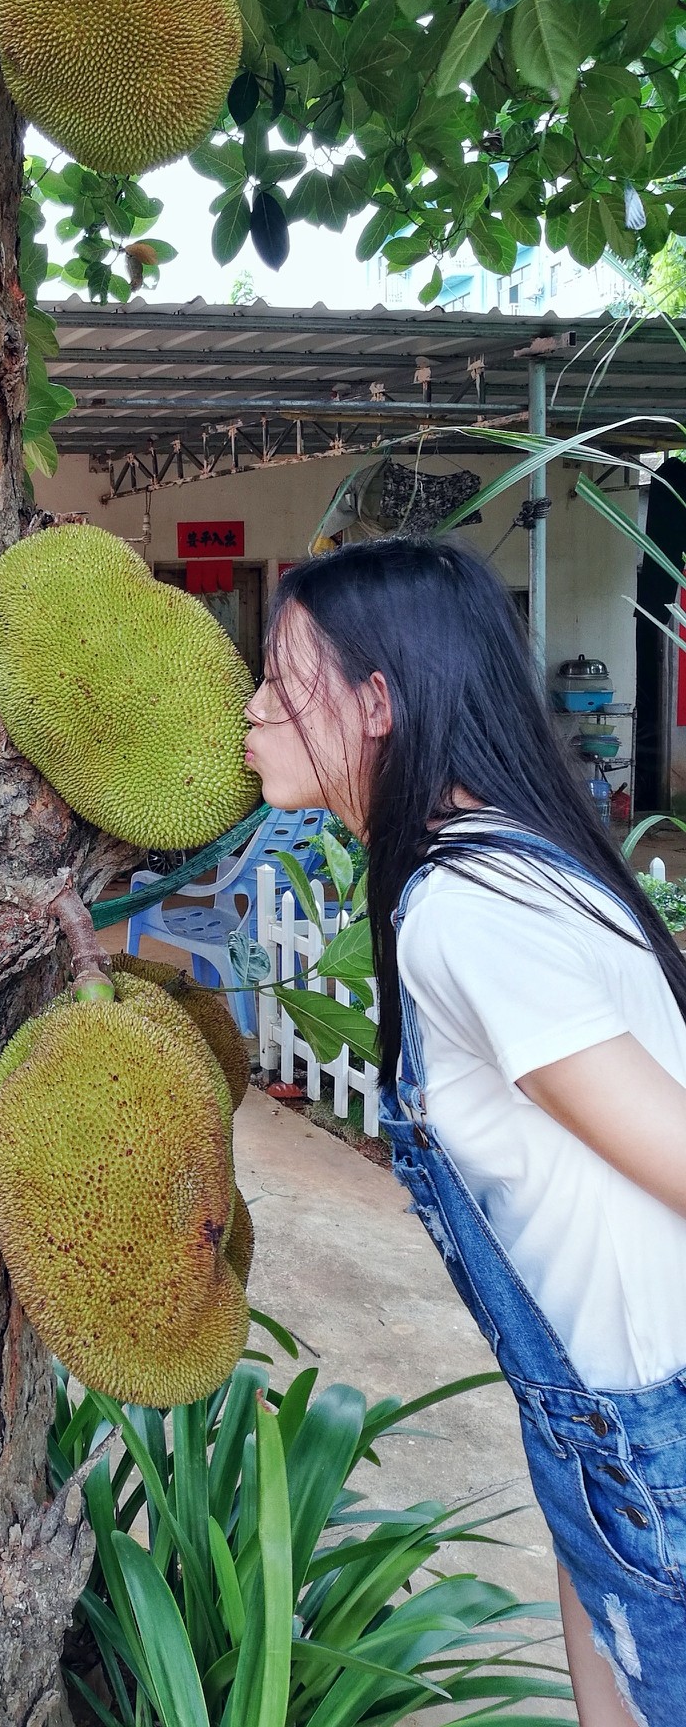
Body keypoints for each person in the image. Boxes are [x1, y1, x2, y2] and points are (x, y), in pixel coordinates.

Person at [242, 536, 686, 1727]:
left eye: (282, 681)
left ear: (378, 702)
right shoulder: (523, 861)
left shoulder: (465, 913)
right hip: (609, 1425)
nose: (251, 707)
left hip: (654, 1423)